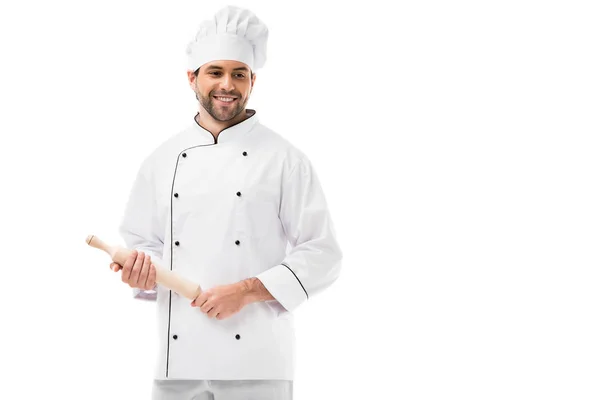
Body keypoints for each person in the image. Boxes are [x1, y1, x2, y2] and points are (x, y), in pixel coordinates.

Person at [110, 5, 343, 400]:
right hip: (177, 367)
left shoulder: (284, 159)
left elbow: (323, 253)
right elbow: (142, 244)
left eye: (239, 74)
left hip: (258, 362)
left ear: (253, 80)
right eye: (215, 72)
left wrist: (247, 290)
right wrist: (141, 272)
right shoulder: (162, 159)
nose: (227, 85)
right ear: (192, 78)